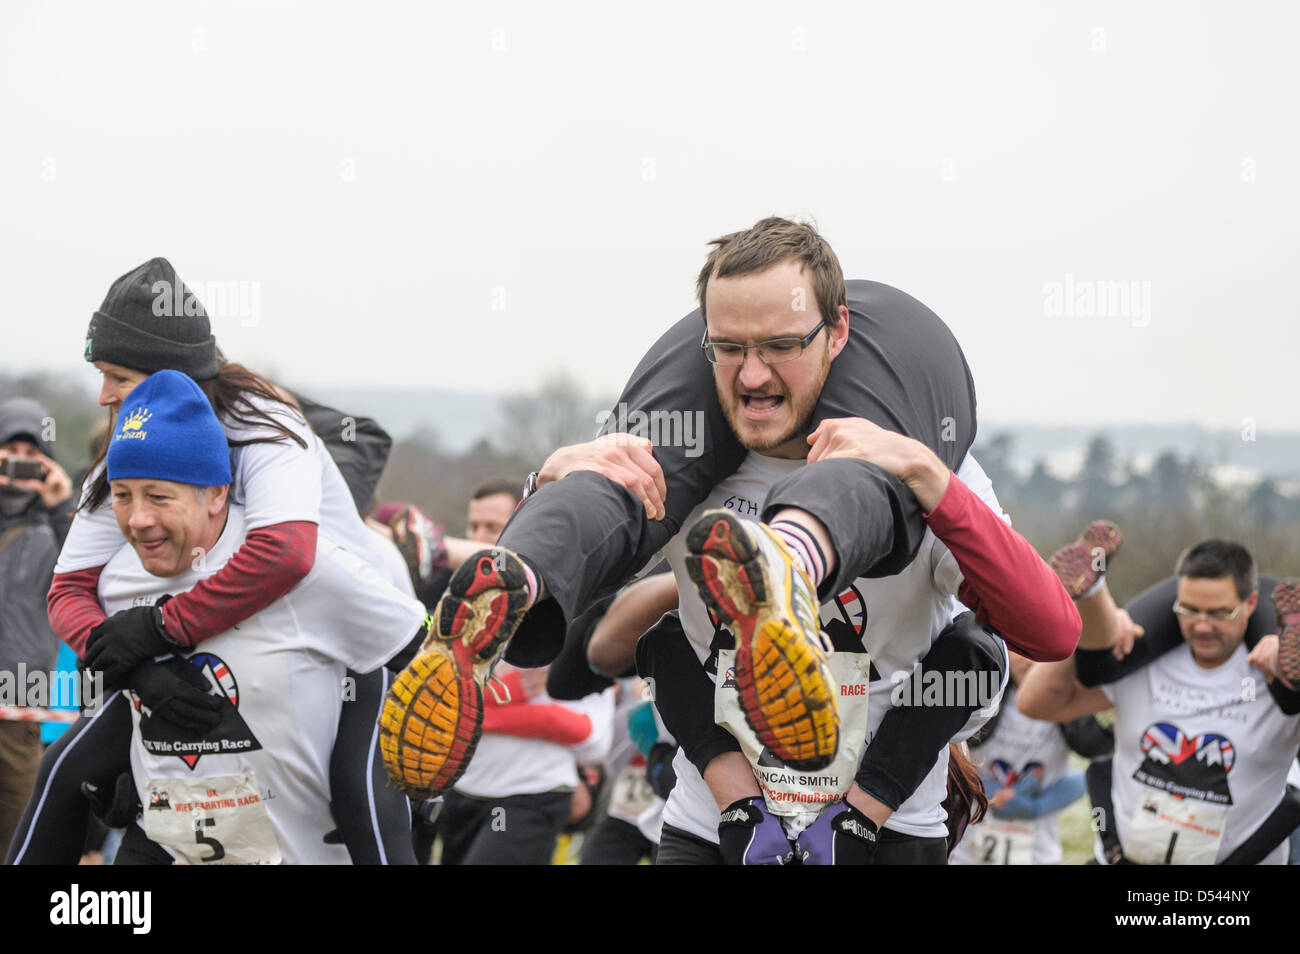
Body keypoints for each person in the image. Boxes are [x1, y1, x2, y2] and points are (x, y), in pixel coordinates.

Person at [384, 217, 1080, 864]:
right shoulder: (678, 461)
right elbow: (596, 610)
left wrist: (935, 480)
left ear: (838, 333)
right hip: (711, 822)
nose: (752, 375)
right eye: (731, 349)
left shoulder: (918, 462)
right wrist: (554, 485)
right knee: (605, 527)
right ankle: (529, 572)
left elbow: (1046, 630)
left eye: (780, 346)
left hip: (883, 828)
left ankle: (790, 562)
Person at [10, 257, 413, 865]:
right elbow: (69, 589)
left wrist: (158, 628)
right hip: (207, 645)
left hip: (340, 640)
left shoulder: (263, 422)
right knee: (66, 775)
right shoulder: (132, 443)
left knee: (361, 813)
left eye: (115, 374)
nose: (102, 394)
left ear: (166, 373)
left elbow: (284, 556)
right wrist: (135, 668)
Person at [88, 370, 428, 863]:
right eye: (122, 496)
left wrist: (408, 777)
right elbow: (95, 663)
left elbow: (425, 648)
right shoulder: (116, 576)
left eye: (159, 497)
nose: (138, 519)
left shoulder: (308, 569)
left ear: (217, 493)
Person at [1018, 538, 1300, 864]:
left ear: (1251, 604)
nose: (1202, 625)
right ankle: (1093, 592)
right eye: (1189, 610)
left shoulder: (1273, 674)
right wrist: (1088, 627)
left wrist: (1289, 654)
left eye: (1219, 613)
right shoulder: (1145, 661)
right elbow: (1037, 703)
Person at [434, 477, 615, 865]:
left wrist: (480, 713)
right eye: (474, 527)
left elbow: (591, 737)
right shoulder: (458, 610)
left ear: (522, 526)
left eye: (492, 528)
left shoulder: (573, 612)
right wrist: (519, 705)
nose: (480, 539)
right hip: (464, 791)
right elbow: (438, 708)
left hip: (533, 795)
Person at [0, 397, 75, 857]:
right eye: (12, 451)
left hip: (22, 702)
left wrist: (63, 504)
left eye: (34, 455)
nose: (22, 465)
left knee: (18, 842)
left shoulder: (57, 525)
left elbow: (91, 574)